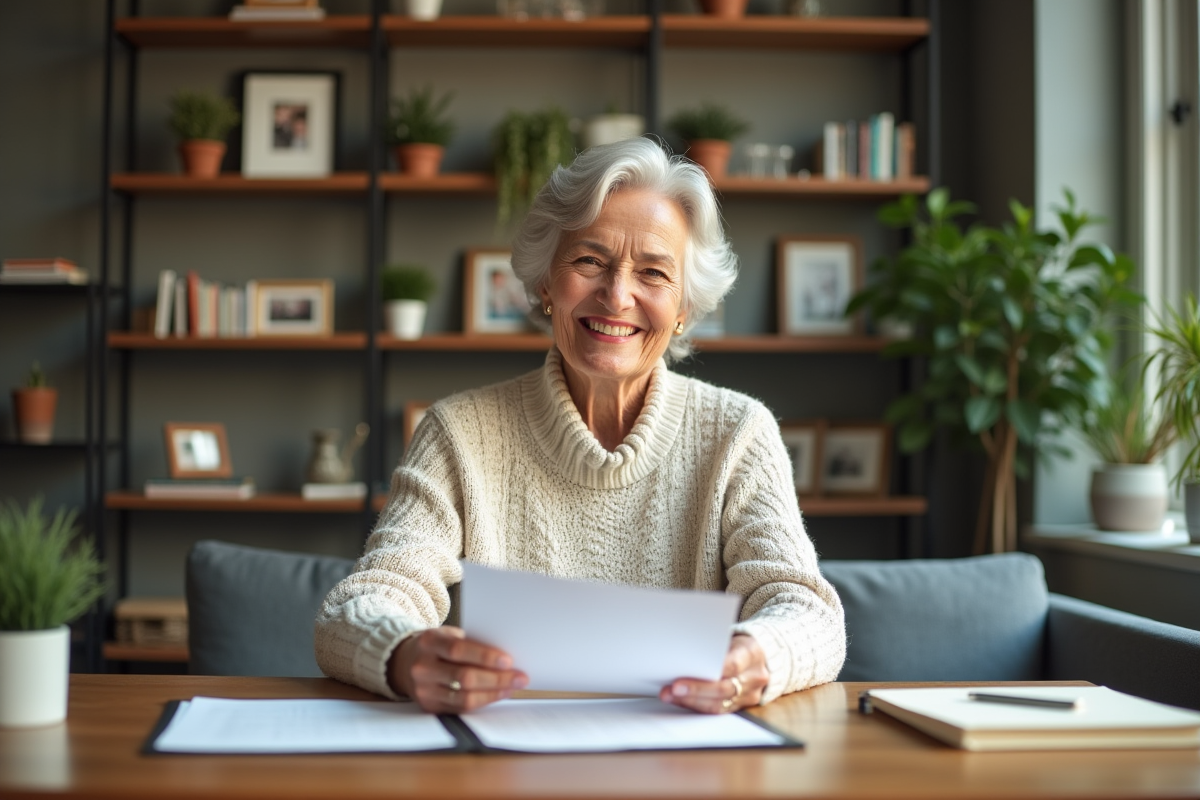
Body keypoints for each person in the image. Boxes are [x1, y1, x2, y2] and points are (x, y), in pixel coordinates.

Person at [315, 137, 846, 715]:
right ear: (546, 281)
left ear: (685, 307)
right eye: (590, 261)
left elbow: (807, 610)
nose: (617, 296)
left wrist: (757, 655)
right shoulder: (458, 434)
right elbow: (362, 603)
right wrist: (404, 653)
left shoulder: (739, 433)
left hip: (686, 758)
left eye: (653, 272)